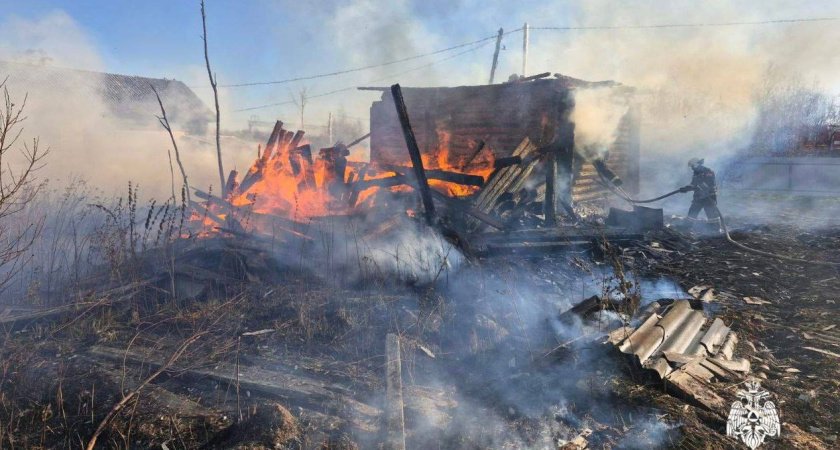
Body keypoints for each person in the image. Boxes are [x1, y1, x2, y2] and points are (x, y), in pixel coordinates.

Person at [679, 158, 721, 222]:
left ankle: (715, 228)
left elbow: (710, 183)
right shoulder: (696, 174)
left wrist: (697, 187)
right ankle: (687, 226)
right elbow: (693, 184)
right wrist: (686, 188)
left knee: (711, 214)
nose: (692, 168)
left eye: (692, 166)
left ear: (696, 165)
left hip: (709, 196)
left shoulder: (708, 171)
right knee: (692, 212)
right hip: (698, 196)